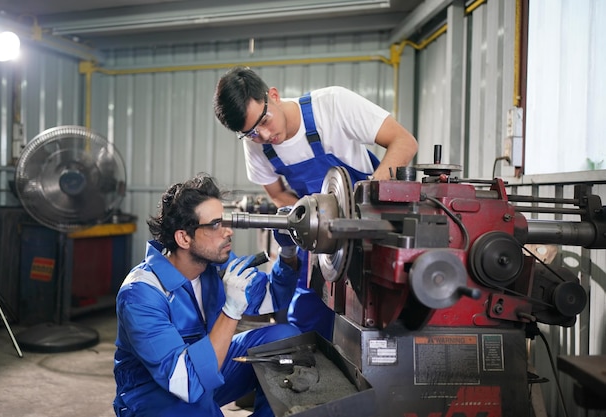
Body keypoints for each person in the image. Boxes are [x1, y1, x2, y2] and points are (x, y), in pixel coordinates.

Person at [213, 66, 418, 340]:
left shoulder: (332, 105)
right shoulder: (257, 145)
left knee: (378, 320)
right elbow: (277, 194)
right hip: (321, 243)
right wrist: (312, 220)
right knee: (308, 326)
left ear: (273, 95)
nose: (262, 136)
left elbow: (404, 142)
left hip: (374, 228)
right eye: (250, 133)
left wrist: (361, 206)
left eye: (264, 121)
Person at [113, 173, 301, 417]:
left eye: (225, 221)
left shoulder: (213, 266)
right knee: (197, 404)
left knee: (285, 339)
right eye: (215, 225)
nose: (228, 232)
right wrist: (231, 311)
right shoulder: (140, 294)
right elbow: (186, 383)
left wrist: (287, 251)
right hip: (153, 393)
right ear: (183, 237)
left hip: (205, 371)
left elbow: (273, 297)